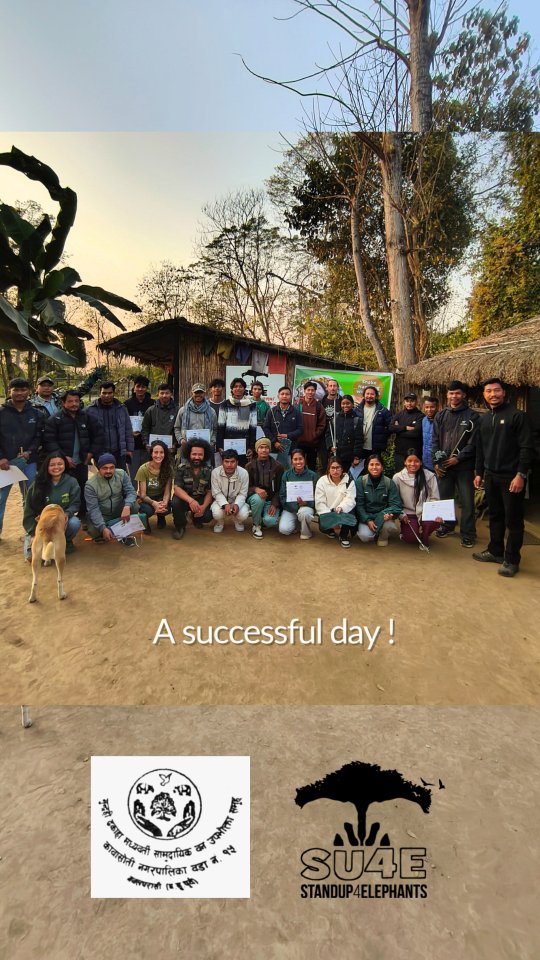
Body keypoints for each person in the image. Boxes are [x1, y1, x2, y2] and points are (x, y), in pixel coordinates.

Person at [473, 378, 535, 577]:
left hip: (511, 477)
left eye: (496, 390)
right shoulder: (483, 419)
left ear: (504, 393)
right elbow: (480, 449)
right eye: (489, 391)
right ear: (484, 394)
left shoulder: (517, 416)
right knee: (495, 515)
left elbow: (527, 448)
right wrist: (478, 473)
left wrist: (521, 474)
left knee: (514, 520)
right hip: (490, 476)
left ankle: (511, 559)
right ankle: (495, 551)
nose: (493, 394)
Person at [431, 380, 479, 548]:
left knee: (467, 502)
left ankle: (468, 534)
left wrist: (458, 458)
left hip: (463, 467)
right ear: (447, 395)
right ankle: (447, 526)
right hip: (444, 467)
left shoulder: (472, 416)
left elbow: (473, 443)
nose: (454, 396)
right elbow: (435, 440)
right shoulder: (441, 415)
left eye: (458, 393)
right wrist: (437, 462)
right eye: (451, 393)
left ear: (463, 395)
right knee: (445, 499)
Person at [43, 389, 102, 519]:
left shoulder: (87, 417)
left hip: (81, 462)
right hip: (62, 464)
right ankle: (61, 517)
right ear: (63, 403)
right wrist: (63, 458)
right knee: (63, 490)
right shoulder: (55, 419)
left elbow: (98, 435)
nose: (74, 404)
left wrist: (90, 453)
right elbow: (49, 440)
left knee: (82, 488)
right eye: (70, 401)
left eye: (76, 401)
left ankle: (82, 514)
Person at [0, 377, 45, 541]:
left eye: (23, 390)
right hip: (5, 465)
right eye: (16, 390)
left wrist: (29, 452)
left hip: (28, 462)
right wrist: (2, 458)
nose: (20, 393)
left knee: (29, 497)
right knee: (1, 498)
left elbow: (39, 436)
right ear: (9, 391)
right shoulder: (2, 413)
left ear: (29, 391)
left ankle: (30, 531)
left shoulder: (36, 414)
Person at [23, 453, 81, 558]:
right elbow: (29, 510)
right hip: (40, 523)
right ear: (47, 466)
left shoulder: (71, 482)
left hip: (60, 522)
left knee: (75, 523)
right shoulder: (38, 484)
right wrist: (33, 533)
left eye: (60, 464)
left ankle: (65, 542)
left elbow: (75, 504)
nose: (56, 467)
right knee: (32, 557)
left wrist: (66, 514)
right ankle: (36, 541)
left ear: (65, 465)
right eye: (52, 465)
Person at [84, 453, 140, 546]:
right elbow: (93, 509)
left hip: (119, 510)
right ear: (98, 468)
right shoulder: (90, 485)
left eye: (112, 467)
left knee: (134, 507)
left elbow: (131, 492)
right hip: (103, 513)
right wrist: (102, 528)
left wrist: (127, 506)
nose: (109, 471)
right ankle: (107, 529)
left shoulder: (122, 474)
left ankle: (124, 533)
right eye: (104, 468)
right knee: (94, 532)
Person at [392, 450, 441, 548]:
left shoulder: (429, 476)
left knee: (436, 521)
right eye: (409, 461)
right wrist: (401, 514)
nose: (413, 464)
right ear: (405, 462)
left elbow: (435, 497)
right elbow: (394, 500)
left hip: (425, 512)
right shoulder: (397, 477)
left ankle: (424, 537)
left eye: (416, 461)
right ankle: (407, 531)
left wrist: (434, 513)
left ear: (421, 462)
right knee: (411, 539)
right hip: (408, 513)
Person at [171, 438, 214, 540]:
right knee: (175, 502)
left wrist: (203, 507)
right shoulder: (181, 468)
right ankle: (180, 526)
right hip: (186, 500)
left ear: (205, 455)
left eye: (200, 455)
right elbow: (177, 488)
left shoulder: (209, 470)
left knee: (208, 515)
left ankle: (196, 519)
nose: (197, 457)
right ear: (189, 454)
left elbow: (209, 491)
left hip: (200, 500)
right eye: (194, 454)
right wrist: (191, 500)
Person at [355, 454, 402, 546]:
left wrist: (388, 515)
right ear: (367, 466)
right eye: (371, 464)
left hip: (384, 517)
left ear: (382, 467)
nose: (374, 467)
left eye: (377, 464)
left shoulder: (389, 483)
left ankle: (382, 536)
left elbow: (396, 505)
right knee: (364, 537)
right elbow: (359, 505)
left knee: (389, 526)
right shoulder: (360, 481)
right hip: (367, 517)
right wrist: (367, 520)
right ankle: (374, 532)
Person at [87, 380, 134, 470]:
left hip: (119, 451)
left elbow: (128, 429)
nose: (107, 395)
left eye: (109, 393)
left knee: (120, 478)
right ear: (99, 393)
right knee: (103, 479)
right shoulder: (90, 410)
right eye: (104, 393)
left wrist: (129, 449)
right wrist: (90, 451)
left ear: (113, 393)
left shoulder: (121, 408)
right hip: (100, 452)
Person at [246, 436, 284, 539]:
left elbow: (280, 488)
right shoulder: (249, 466)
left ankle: (263, 519)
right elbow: (245, 487)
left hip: (271, 500)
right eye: (261, 447)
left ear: (270, 449)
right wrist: (255, 489)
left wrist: (275, 504)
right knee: (259, 499)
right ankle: (256, 524)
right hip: (254, 498)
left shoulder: (278, 466)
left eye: (266, 447)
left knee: (270, 521)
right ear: (257, 449)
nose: (264, 450)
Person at [315, 457, 357, 548]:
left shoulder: (349, 481)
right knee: (323, 526)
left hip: (342, 511)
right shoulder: (322, 481)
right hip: (329, 511)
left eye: (338, 467)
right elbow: (320, 502)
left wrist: (341, 507)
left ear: (342, 469)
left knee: (350, 510)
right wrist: (332, 516)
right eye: (332, 468)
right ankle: (330, 530)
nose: (335, 470)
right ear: (328, 469)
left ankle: (343, 536)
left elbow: (350, 499)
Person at [215, 378, 257, 467]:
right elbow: (220, 426)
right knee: (229, 467)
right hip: (228, 443)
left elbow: (253, 427)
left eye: (240, 386)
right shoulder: (225, 404)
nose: (238, 388)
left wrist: (251, 447)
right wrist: (219, 445)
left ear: (244, 389)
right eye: (235, 386)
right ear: (232, 389)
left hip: (244, 444)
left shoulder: (251, 405)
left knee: (243, 469)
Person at [279, 448, 317, 539]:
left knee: (304, 513)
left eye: (300, 459)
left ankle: (305, 533)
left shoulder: (312, 475)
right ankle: (297, 523)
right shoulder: (287, 475)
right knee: (284, 530)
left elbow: (317, 496)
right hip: (290, 508)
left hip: (306, 507)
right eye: (295, 459)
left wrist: (306, 503)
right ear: (292, 461)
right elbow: (282, 495)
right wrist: (294, 507)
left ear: (304, 459)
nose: (298, 462)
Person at [136, 440, 174, 533]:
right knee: (148, 510)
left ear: (165, 454)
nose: (158, 455)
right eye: (156, 452)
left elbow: (167, 491)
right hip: (147, 498)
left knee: (167, 508)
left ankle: (161, 517)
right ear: (151, 453)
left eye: (161, 452)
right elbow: (143, 494)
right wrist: (154, 504)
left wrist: (163, 504)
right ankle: (145, 522)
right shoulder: (143, 469)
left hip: (160, 496)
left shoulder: (168, 468)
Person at [210, 448, 250, 533]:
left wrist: (237, 504)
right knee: (217, 513)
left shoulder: (244, 473)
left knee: (243, 514)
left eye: (232, 462)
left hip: (236, 500)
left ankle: (238, 521)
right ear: (222, 462)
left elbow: (243, 493)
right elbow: (216, 492)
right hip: (220, 501)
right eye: (226, 462)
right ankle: (220, 522)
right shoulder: (215, 472)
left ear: (237, 462)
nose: (229, 465)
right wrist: (225, 504)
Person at [263, 386, 303, 468]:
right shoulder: (271, 411)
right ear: (278, 396)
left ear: (290, 396)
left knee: (289, 473)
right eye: (282, 394)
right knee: (273, 473)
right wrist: (274, 442)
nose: (284, 396)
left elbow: (300, 430)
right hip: (274, 450)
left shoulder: (297, 412)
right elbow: (266, 428)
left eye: (287, 394)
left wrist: (288, 436)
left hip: (290, 450)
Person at [174, 383, 217, 459]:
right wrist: (181, 440)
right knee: (186, 469)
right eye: (196, 393)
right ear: (192, 393)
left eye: (201, 392)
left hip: (205, 448)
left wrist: (212, 442)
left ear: (204, 393)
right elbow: (177, 428)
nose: (198, 395)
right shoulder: (183, 410)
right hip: (187, 448)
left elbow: (215, 429)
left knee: (204, 469)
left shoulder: (211, 411)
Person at [124, 375, 154, 478]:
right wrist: (130, 433)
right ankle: (133, 493)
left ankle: (145, 494)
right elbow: (123, 423)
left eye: (143, 387)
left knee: (147, 473)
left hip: (148, 445)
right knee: (133, 475)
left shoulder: (153, 403)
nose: (140, 389)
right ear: (134, 387)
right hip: (133, 445)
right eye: (138, 386)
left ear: (147, 388)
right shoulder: (127, 404)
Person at [354, 386, 392, 463]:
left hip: (376, 448)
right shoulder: (356, 410)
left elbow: (390, 427)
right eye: (367, 394)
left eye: (372, 394)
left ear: (376, 396)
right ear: (364, 395)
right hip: (360, 448)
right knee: (360, 471)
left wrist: (382, 437)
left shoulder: (383, 410)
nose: (369, 396)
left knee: (374, 470)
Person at [389, 393, 424, 471]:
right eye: (407, 401)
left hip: (414, 454)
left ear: (416, 402)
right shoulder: (399, 414)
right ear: (404, 402)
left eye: (412, 401)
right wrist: (405, 427)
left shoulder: (420, 416)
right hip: (399, 453)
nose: (409, 403)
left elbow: (415, 433)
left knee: (413, 478)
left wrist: (398, 430)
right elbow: (391, 428)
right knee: (400, 476)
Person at [141, 383, 178, 456]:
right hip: (154, 450)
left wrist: (175, 445)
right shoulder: (151, 410)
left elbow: (179, 429)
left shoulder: (177, 410)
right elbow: (145, 429)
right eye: (162, 393)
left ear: (171, 394)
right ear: (158, 394)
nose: (164, 395)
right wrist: (146, 443)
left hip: (170, 450)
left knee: (168, 467)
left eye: (167, 393)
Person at [296, 380, 326, 471]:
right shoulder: (297, 405)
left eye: (312, 390)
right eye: (308, 390)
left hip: (312, 443)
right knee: (298, 466)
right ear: (304, 391)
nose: (310, 392)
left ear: (315, 392)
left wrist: (314, 435)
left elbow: (322, 424)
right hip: (299, 442)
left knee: (312, 467)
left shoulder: (319, 407)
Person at [331, 395, 363, 473]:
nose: (345, 405)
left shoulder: (356, 419)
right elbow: (329, 434)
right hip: (336, 454)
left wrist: (356, 456)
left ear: (352, 404)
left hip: (349, 456)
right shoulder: (336, 417)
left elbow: (359, 439)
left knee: (346, 476)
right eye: (343, 403)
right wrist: (330, 447)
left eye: (348, 403)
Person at [320, 378, 342, 472]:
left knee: (337, 462)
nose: (332, 388)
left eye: (334, 386)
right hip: (323, 436)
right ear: (327, 388)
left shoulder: (342, 401)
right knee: (324, 462)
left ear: (337, 388)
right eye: (330, 386)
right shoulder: (322, 402)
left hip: (338, 436)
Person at [421, 396, 438, 471]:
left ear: (437, 407)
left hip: (437, 463)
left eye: (432, 407)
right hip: (425, 461)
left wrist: (439, 462)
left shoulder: (441, 421)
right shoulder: (424, 420)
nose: (429, 410)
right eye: (427, 407)